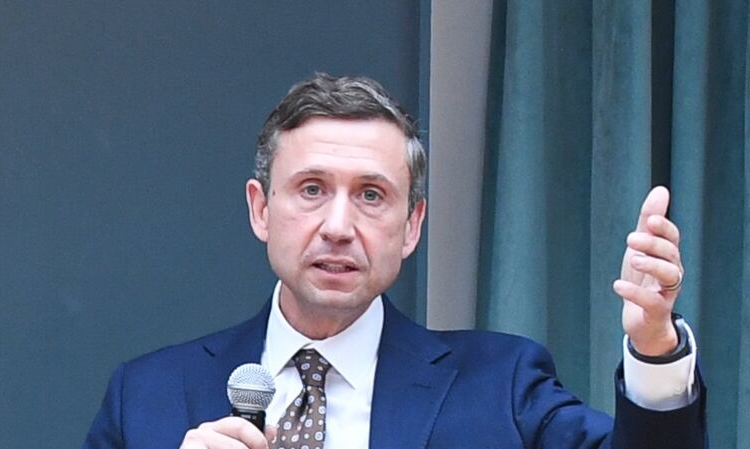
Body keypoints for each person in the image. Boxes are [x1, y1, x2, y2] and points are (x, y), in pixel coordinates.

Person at [83, 73, 706, 449]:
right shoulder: (147, 396)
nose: (338, 227)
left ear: (411, 226)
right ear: (260, 209)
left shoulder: (502, 387)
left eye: (371, 195)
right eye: (311, 189)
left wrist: (654, 347)